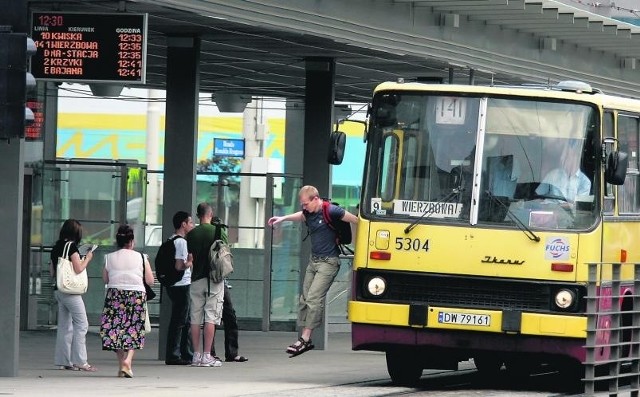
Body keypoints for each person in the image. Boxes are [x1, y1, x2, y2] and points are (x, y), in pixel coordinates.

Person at [267, 185, 358, 356]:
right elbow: (301, 216)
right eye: (302, 204)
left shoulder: (332, 211)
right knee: (304, 299)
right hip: (313, 261)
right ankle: (304, 339)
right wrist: (282, 218)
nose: (304, 207)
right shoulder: (308, 212)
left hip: (329, 262)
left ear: (316, 199)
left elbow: (356, 220)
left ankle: (305, 338)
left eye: (306, 203)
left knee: (314, 299)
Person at [99, 224, 154, 378]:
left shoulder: (109, 258)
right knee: (133, 329)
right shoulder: (142, 257)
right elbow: (150, 280)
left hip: (114, 295)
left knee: (114, 330)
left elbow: (105, 278)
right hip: (136, 295)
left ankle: (122, 363)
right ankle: (127, 361)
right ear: (131, 241)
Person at [50, 219, 96, 372]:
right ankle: (80, 361)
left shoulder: (56, 247)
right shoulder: (71, 247)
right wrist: (87, 258)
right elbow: (78, 268)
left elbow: (52, 272)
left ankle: (64, 361)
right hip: (71, 292)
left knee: (64, 326)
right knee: (82, 324)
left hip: (59, 289)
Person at [186, 203, 224, 367]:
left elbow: (190, 256)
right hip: (213, 279)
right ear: (210, 213)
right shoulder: (218, 231)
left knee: (195, 318)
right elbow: (225, 251)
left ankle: (196, 355)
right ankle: (207, 355)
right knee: (210, 317)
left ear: (198, 215)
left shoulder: (191, 234)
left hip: (195, 279)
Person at [165, 211, 195, 365]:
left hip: (173, 285)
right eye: (190, 222)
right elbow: (179, 266)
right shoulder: (182, 242)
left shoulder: (171, 239)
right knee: (181, 321)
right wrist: (189, 262)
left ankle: (183, 353)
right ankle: (175, 354)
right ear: (183, 224)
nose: (192, 225)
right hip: (182, 284)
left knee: (182, 319)